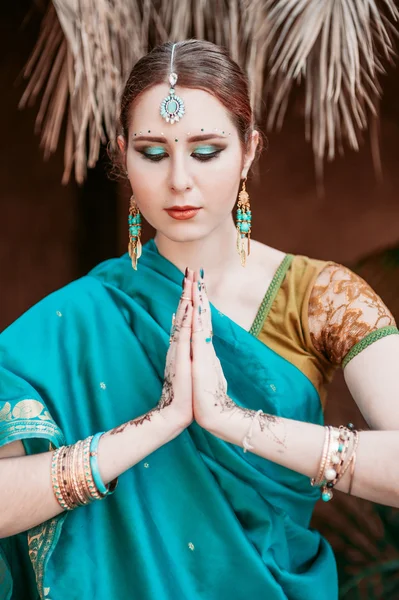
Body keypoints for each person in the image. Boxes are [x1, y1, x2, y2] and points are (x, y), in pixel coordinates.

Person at [1, 39, 398, 600]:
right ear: (122, 154)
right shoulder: (79, 316)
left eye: (206, 151)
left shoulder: (320, 297)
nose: (179, 180)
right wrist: (158, 424)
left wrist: (234, 421)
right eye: (154, 152)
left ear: (249, 151)